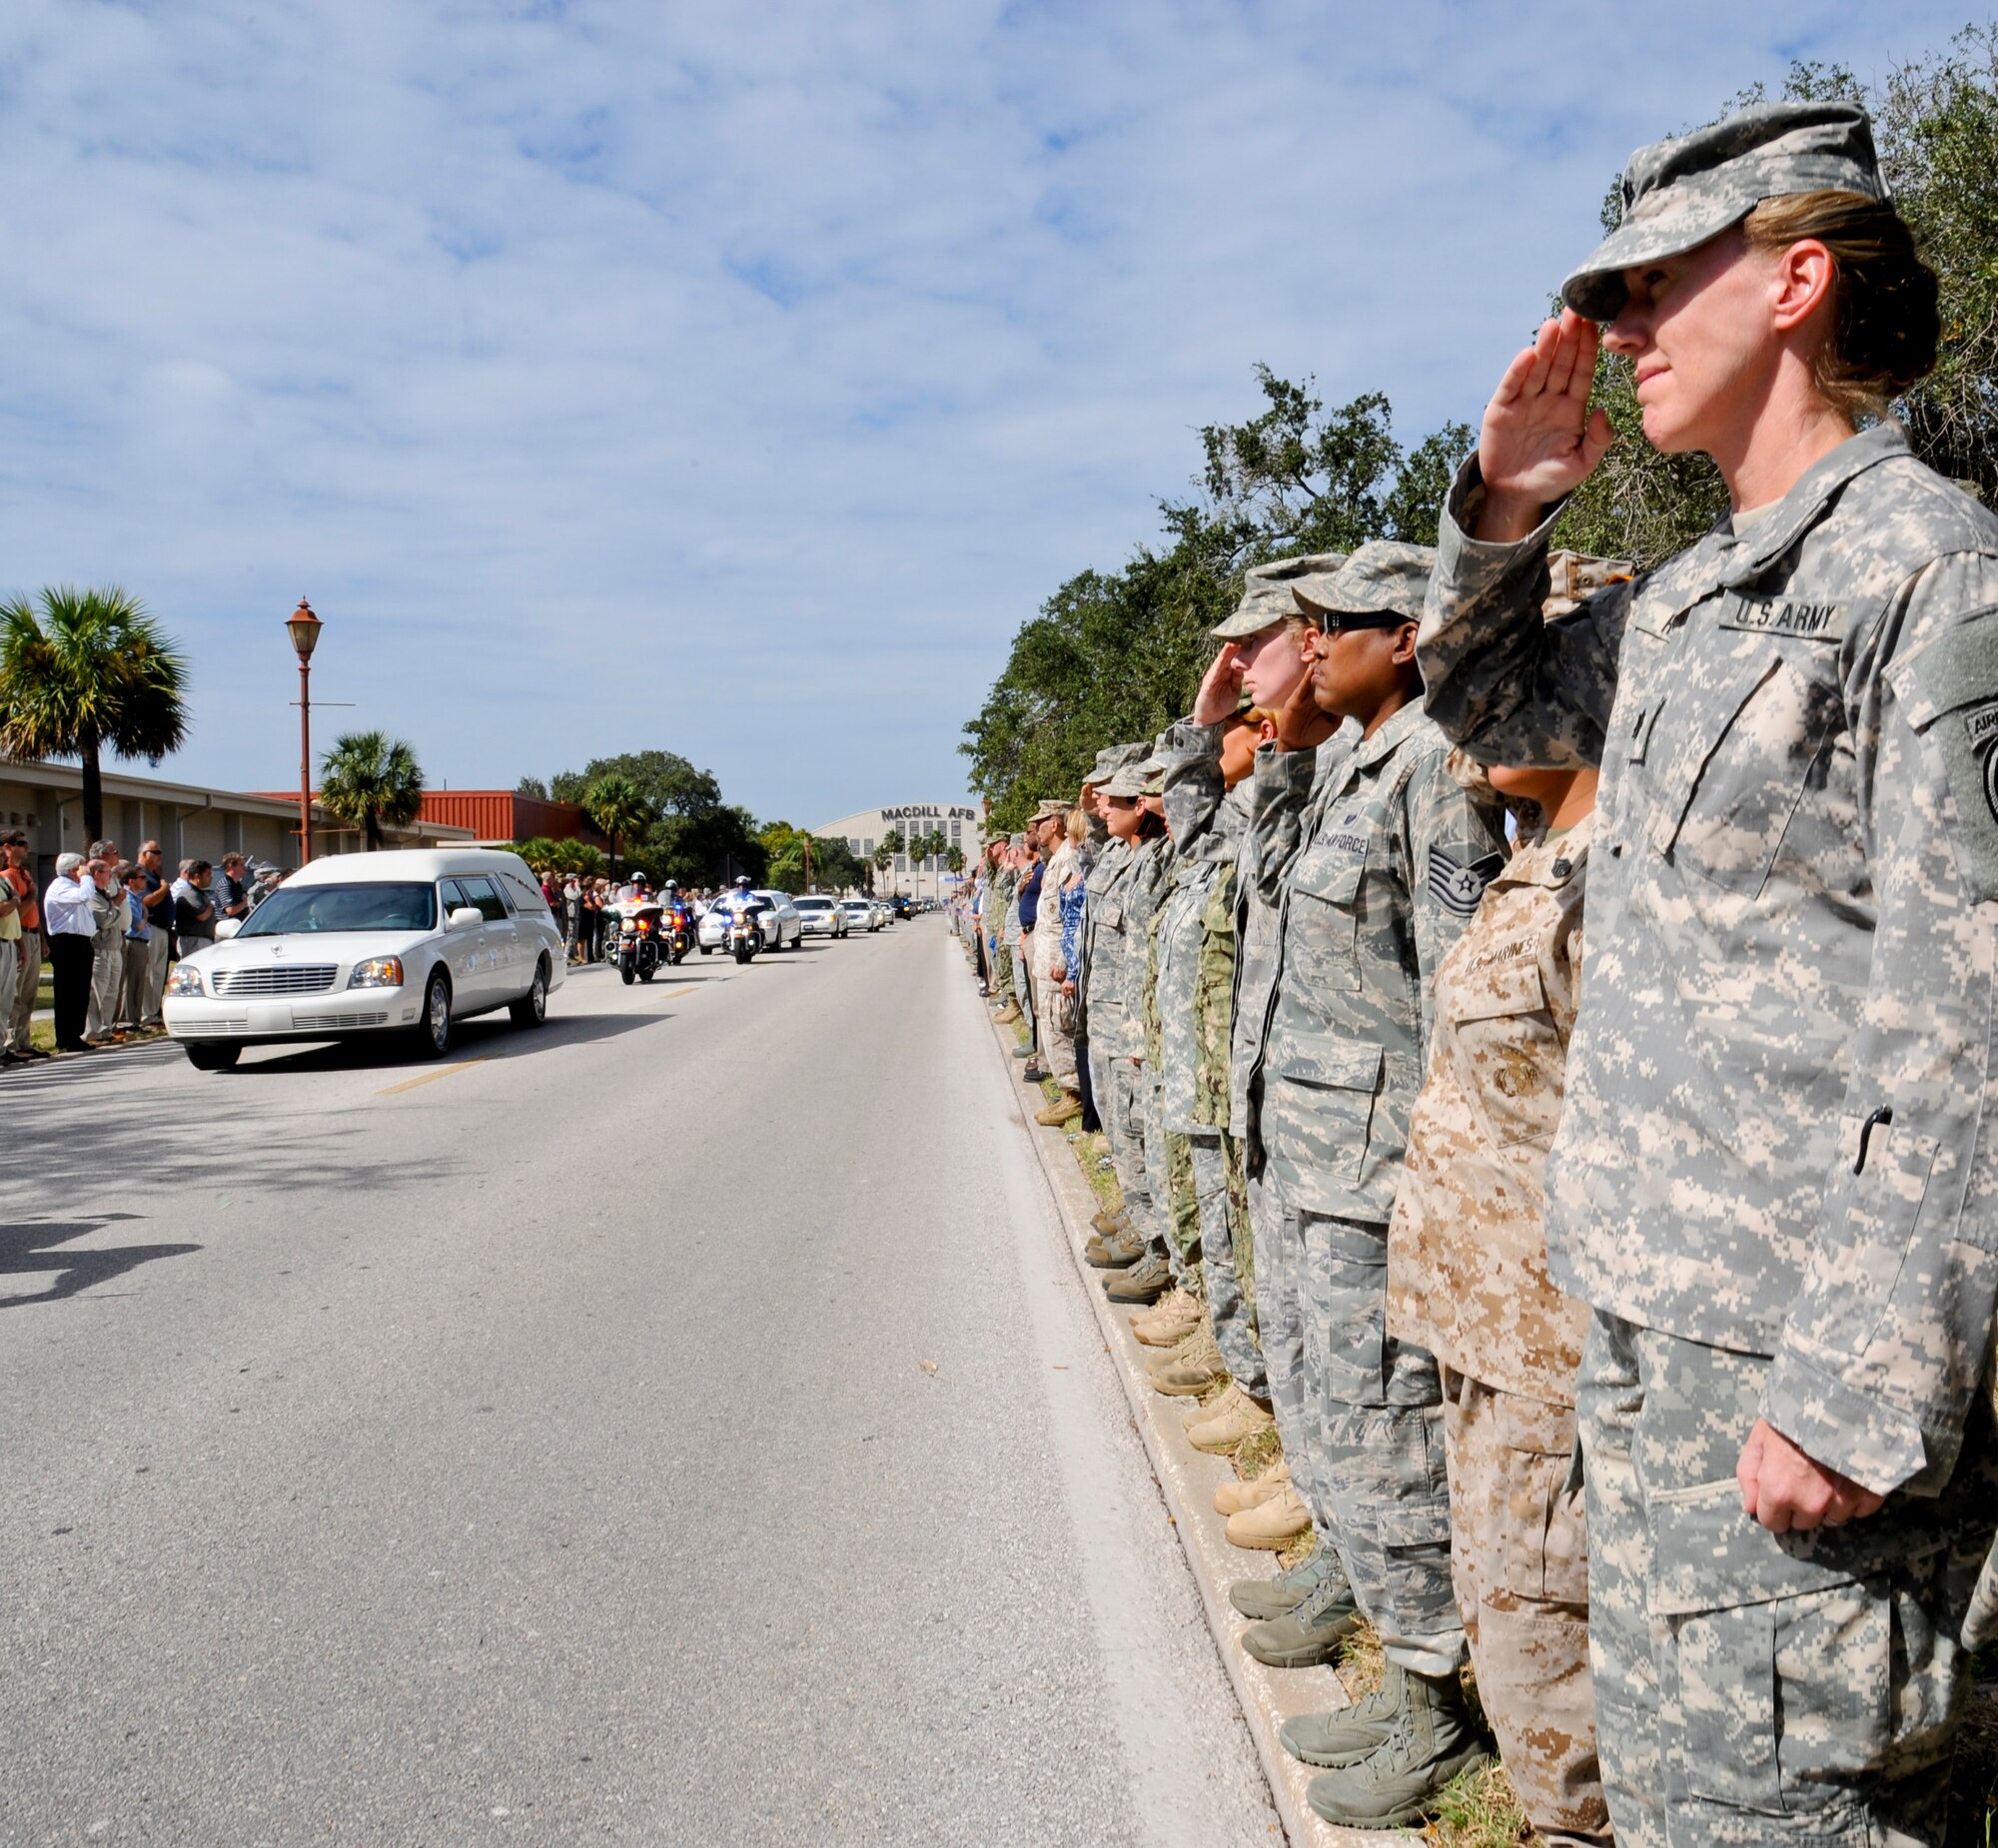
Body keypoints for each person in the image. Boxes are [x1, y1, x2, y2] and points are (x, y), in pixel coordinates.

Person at [1419, 99, 1998, 1846]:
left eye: (1656, 284)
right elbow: (1488, 707)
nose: (1615, 332)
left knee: (1792, 1808)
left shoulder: (1932, 571)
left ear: (1798, 278)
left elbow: (1970, 1019)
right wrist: (1510, 503)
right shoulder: (1688, 601)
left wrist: (1860, 1393)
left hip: (1805, 1378)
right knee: (1680, 1802)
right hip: (1652, 1336)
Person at [1244, 541, 1508, 1827]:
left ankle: (1434, 1701)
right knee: (1334, 1406)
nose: (1310, 644)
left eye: (1336, 624)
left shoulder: (1432, 770)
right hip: (1310, 1157)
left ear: (1402, 636)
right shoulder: (1346, 761)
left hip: (1377, 1171)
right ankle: (1374, 1611)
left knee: (1392, 1428)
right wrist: (1283, 742)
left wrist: (1445, 1184)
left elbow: (1458, 988)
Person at [42, 852, 99, 1053]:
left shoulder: (76, 887)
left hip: (81, 942)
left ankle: (75, 1034)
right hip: (66, 943)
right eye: (82, 867)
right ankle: (65, 1037)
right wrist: (86, 877)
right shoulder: (60, 888)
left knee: (80, 990)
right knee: (67, 991)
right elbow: (86, 895)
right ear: (74, 869)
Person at [2, 834, 45, 1059]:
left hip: (32, 933)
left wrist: (43, 939)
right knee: (14, 994)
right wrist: (31, 895)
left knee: (29, 993)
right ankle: (9, 1042)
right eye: (21, 844)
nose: (27, 847)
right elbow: (17, 910)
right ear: (7, 848)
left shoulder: (24, 873)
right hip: (19, 935)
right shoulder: (7, 876)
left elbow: (32, 908)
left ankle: (23, 1041)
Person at [82, 855, 125, 1044]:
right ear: (97, 873)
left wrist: (112, 910)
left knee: (111, 991)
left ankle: (106, 1029)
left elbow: (110, 916)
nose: (111, 876)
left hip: (114, 948)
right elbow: (103, 920)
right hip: (100, 949)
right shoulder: (91, 894)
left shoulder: (105, 894)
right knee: (96, 991)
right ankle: (93, 1031)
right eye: (108, 872)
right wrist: (115, 909)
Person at [133, 841, 173, 1026]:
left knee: (158, 974)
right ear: (143, 853)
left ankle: (153, 1012)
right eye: (155, 852)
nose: (159, 855)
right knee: (150, 974)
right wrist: (164, 888)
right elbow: (147, 901)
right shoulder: (140, 873)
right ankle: (146, 1014)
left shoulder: (154, 875)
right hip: (151, 928)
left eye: (160, 852)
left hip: (163, 929)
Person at [120, 863, 154, 1037]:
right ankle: (129, 1020)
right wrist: (146, 915)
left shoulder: (135, 898)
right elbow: (137, 924)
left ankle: (135, 1019)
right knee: (132, 982)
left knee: (138, 982)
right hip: (133, 941)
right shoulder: (128, 898)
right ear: (131, 881)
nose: (145, 881)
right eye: (142, 878)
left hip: (140, 943)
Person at [172, 860, 216, 952]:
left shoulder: (199, 892)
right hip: (193, 941)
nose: (211, 877)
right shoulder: (190, 893)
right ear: (197, 876)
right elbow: (202, 916)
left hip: (201, 940)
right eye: (208, 874)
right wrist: (210, 906)